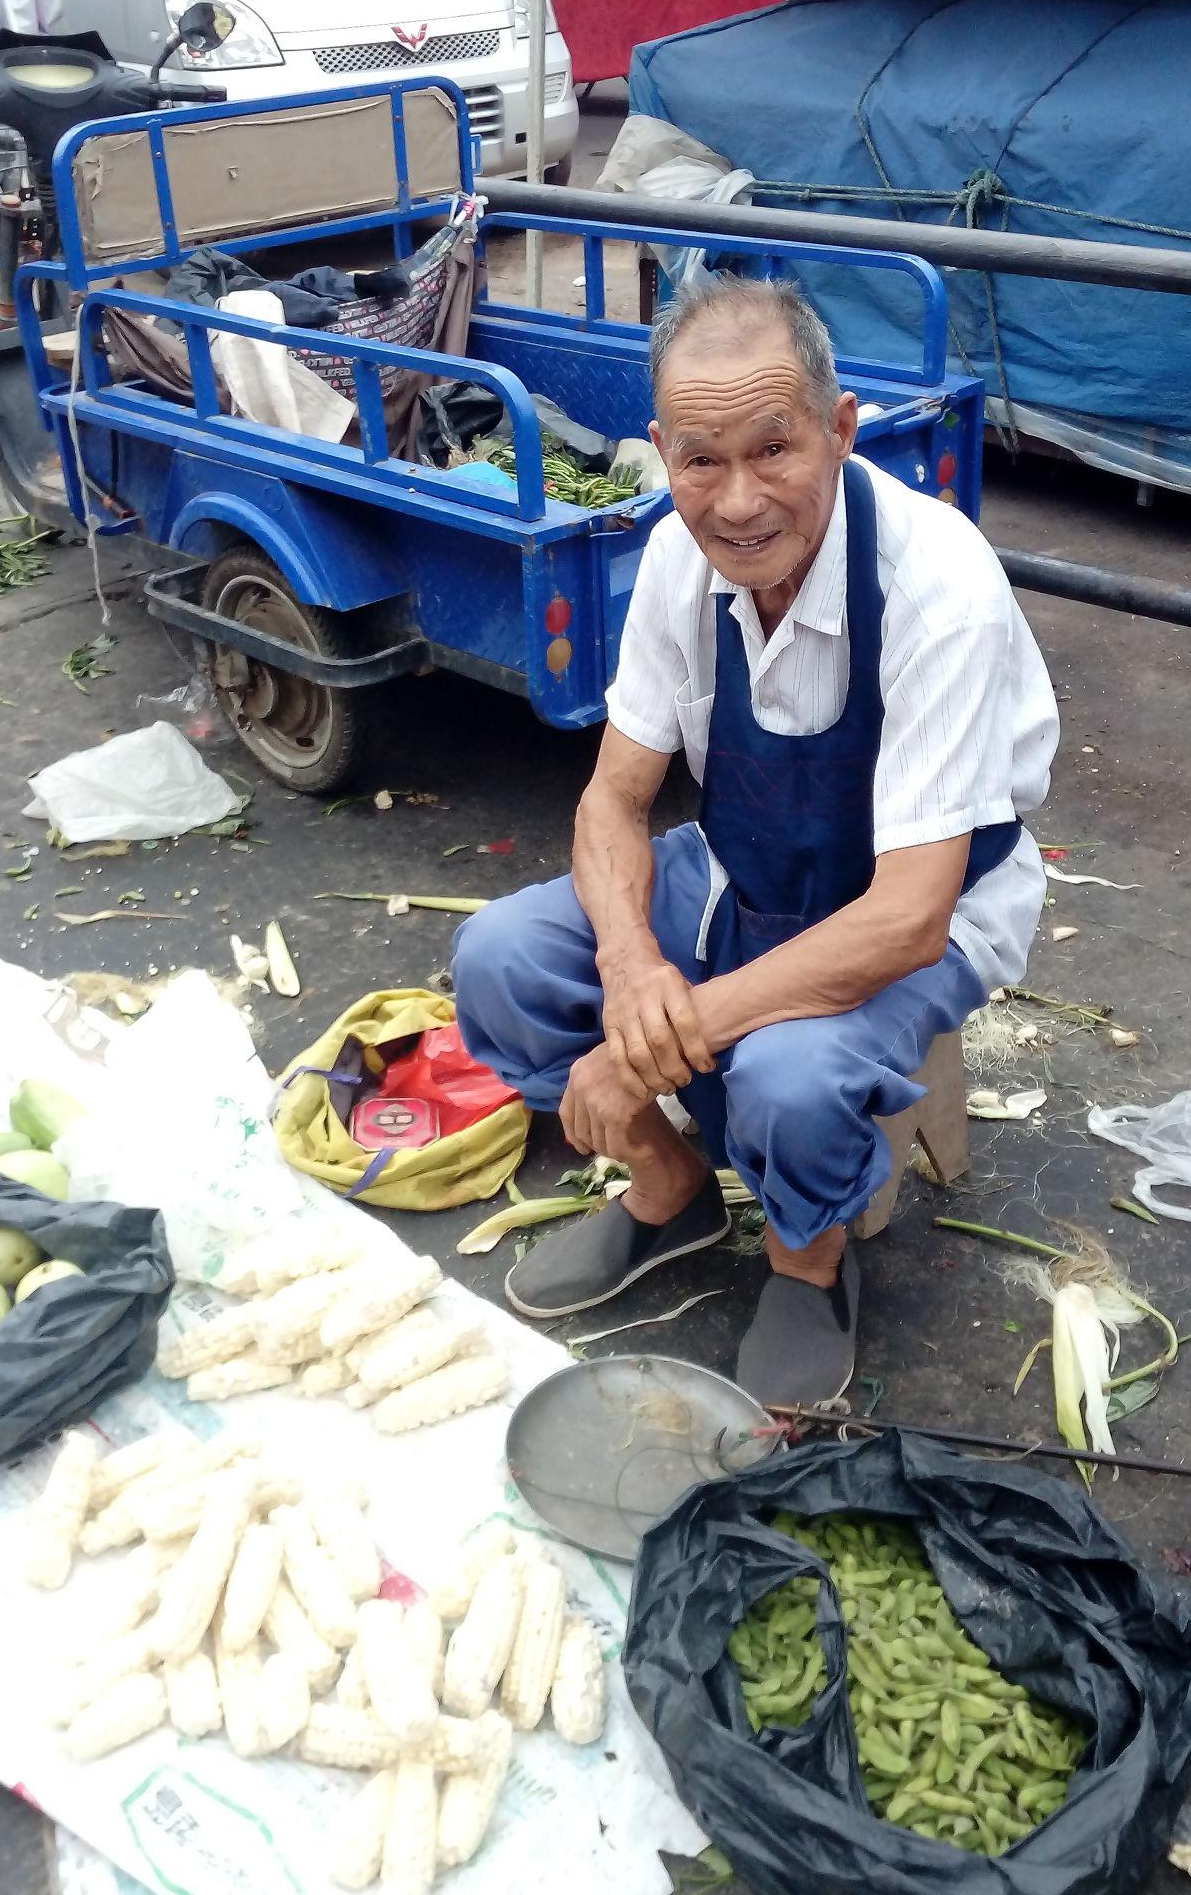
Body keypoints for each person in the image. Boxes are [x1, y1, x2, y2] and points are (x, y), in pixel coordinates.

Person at [453, 275, 1059, 1409]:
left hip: (919, 912)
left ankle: (807, 1266)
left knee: (782, 1073)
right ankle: (666, 1184)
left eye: (772, 449)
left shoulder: (937, 586)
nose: (736, 502)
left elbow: (906, 913)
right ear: (660, 454)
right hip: (743, 869)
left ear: (839, 430)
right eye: (699, 460)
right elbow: (612, 803)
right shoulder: (682, 560)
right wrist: (633, 965)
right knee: (502, 955)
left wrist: (644, 1047)